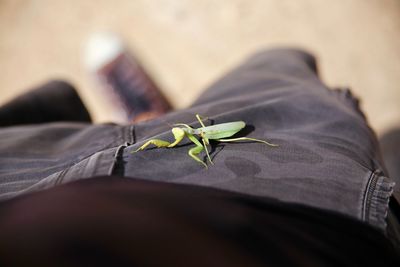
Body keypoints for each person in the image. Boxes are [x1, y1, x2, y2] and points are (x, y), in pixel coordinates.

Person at [0, 48, 399, 266]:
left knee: (276, 61)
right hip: (312, 226)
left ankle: (146, 121)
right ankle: (149, 122)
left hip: (31, 167)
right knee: (278, 72)